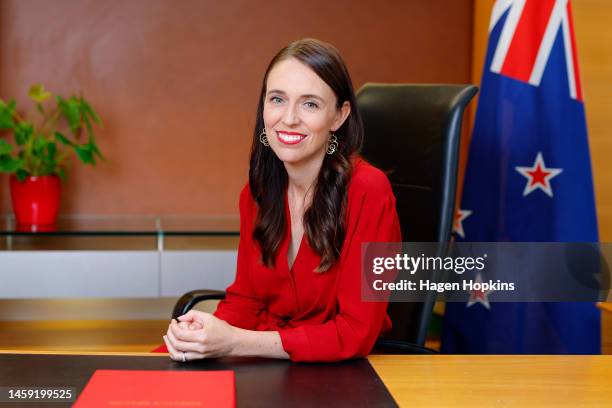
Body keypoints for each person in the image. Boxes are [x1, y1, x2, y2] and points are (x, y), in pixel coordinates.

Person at [162, 38, 401, 362]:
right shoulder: (258, 190)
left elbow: (355, 333)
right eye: (277, 99)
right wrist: (199, 336)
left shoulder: (369, 191)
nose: (288, 119)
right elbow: (246, 300)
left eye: (310, 104)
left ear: (339, 116)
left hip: (340, 373)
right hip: (267, 363)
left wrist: (234, 341)